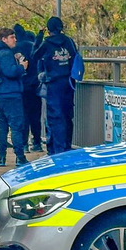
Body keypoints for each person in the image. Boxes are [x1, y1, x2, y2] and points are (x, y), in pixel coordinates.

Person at [32, 17, 80, 155]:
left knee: (55, 116)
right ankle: (67, 146)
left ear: (49, 29)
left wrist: (39, 37)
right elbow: (75, 57)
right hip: (69, 82)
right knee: (67, 115)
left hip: (53, 83)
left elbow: (34, 56)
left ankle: (57, 149)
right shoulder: (69, 41)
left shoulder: (47, 43)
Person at [0, 28, 28, 167]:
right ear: (4, 39)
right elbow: (10, 71)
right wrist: (22, 67)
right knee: (16, 126)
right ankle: (20, 157)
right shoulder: (6, 53)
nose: (15, 40)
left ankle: (1, 157)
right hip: (11, 93)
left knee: (1, 127)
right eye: (12, 37)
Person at [13, 24, 43, 151]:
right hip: (34, 85)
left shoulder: (14, 48)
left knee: (23, 116)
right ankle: (37, 142)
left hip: (20, 86)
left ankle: (24, 144)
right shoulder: (33, 46)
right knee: (35, 116)